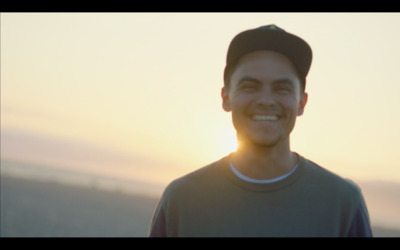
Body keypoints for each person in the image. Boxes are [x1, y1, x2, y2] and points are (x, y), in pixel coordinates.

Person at [148, 24, 373, 237]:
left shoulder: (342, 203)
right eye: (250, 87)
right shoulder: (182, 199)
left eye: (282, 88)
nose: (266, 100)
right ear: (226, 98)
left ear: (301, 103)